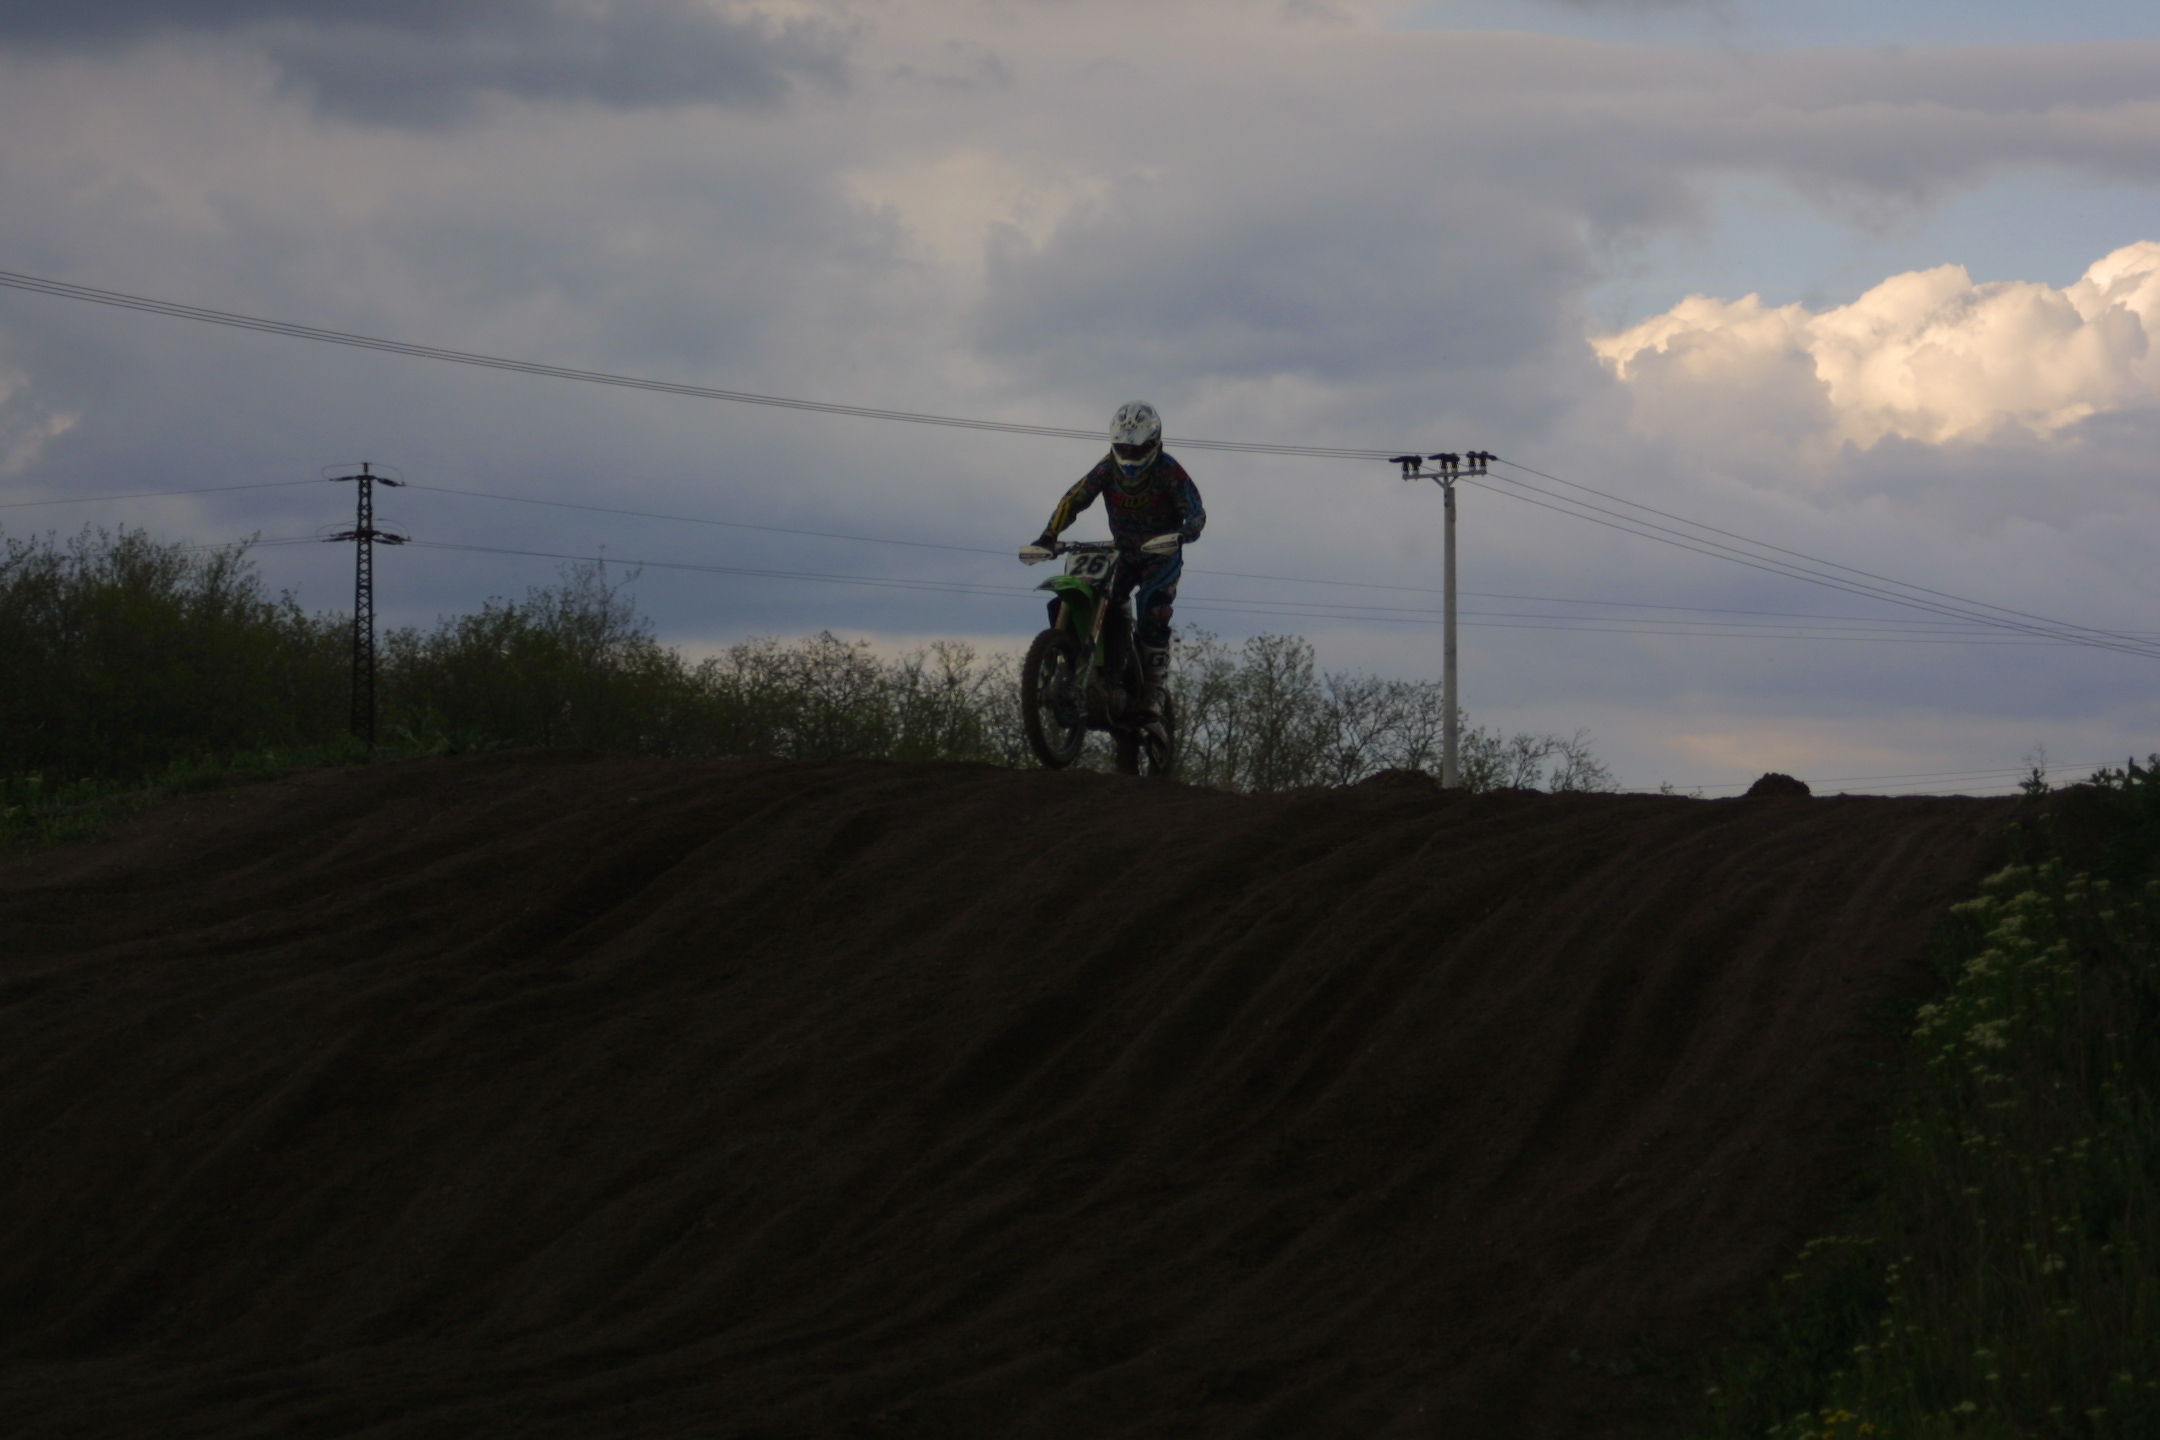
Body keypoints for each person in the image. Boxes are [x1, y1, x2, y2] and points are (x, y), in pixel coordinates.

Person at [1029, 400, 1206, 718]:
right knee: (1091, 594)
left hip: (1160, 552)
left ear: (1153, 443)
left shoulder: (1168, 469)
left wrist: (1183, 534)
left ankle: (1153, 691)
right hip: (1121, 551)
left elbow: (1195, 510)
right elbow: (1075, 499)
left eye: (1137, 449)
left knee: (1153, 609)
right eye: (1124, 447)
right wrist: (1048, 535)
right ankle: (1082, 664)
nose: (1130, 455)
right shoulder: (1106, 468)